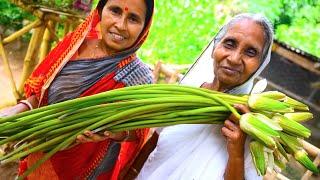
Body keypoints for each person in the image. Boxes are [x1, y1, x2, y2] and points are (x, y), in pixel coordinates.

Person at [0, 0, 154, 179]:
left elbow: (137, 132)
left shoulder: (138, 77)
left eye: (133, 19)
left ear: (144, 27)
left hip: (86, 168)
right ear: (100, 10)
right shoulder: (75, 44)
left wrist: (112, 132)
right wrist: (17, 110)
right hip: (40, 153)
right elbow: (43, 93)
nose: (120, 25)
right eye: (115, 11)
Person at [135, 13, 274, 180]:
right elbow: (153, 144)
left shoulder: (252, 126)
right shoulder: (185, 93)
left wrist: (236, 152)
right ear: (215, 47)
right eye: (230, 44)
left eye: (250, 52)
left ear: (260, 65)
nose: (235, 58)